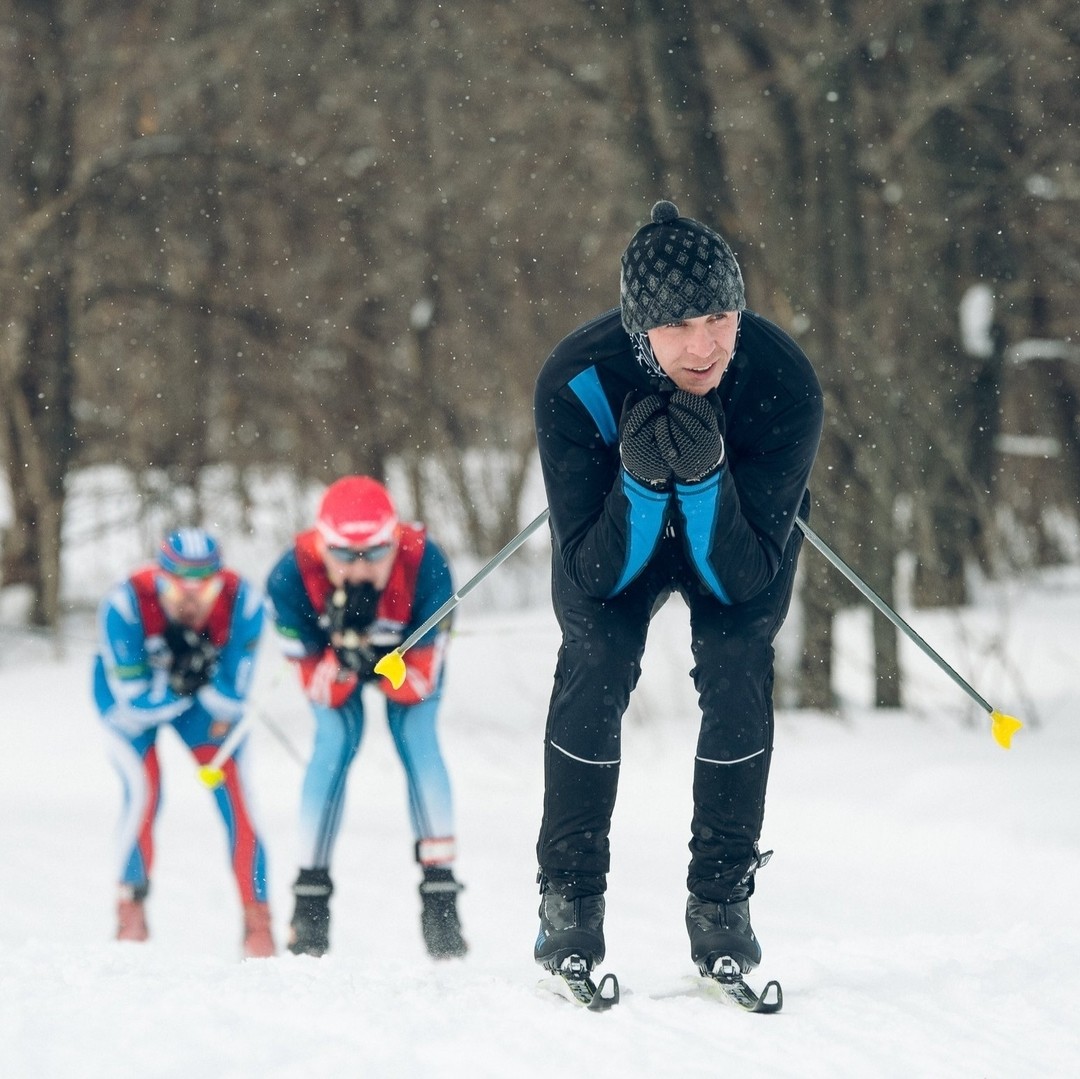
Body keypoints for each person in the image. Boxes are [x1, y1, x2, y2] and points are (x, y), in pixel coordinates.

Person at [532, 200, 823, 980]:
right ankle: (570, 897)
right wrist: (636, 479)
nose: (705, 345)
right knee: (593, 656)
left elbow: (743, 579)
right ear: (639, 331)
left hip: (737, 537)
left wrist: (699, 483)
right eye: (679, 326)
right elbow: (594, 574)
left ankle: (721, 899)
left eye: (721, 315)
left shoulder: (782, 382)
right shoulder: (575, 380)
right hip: (612, 533)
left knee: (737, 661)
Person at [266, 475, 466, 960]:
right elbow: (317, 688)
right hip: (338, 666)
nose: (359, 570)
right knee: (335, 737)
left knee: (417, 734)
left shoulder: (427, 564)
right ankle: (310, 898)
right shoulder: (289, 577)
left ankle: (440, 896)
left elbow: (420, 682)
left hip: (403, 662)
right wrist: (343, 659)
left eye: (374, 554)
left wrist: (382, 661)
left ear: (395, 541)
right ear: (321, 544)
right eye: (345, 555)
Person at [93, 527, 275, 958]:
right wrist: (176, 685)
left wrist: (202, 676)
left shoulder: (244, 602)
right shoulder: (125, 605)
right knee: (144, 789)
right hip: (132, 704)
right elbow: (133, 701)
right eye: (179, 588)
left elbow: (233, 697)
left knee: (236, 793)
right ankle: (129, 914)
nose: (192, 599)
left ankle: (258, 924)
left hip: (200, 704)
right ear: (160, 579)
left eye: (205, 587)